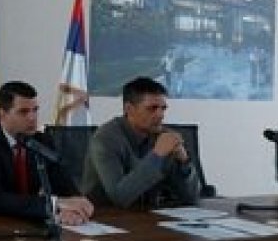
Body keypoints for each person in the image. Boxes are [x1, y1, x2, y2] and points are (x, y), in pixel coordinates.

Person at [0, 81, 93, 225]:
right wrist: (55, 204)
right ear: (1, 115)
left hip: (28, 223)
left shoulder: (43, 141)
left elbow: (65, 187)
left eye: (35, 110)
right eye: (23, 112)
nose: (32, 118)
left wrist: (76, 208)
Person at [81, 76, 201, 208]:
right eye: (152, 108)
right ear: (129, 109)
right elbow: (120, 197)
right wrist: (157, 155)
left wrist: (184, 162)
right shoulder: (105, 139)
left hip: (149, 214)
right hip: (107, 216)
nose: (160, 115)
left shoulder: (164, 135)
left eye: (163, 108)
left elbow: (192, 197)